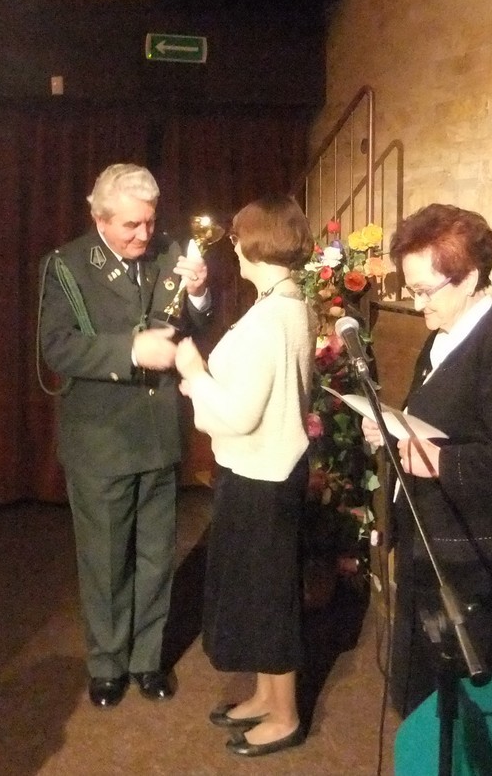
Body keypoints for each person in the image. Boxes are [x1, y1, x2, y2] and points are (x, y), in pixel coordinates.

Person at [360, 203, 492, 718]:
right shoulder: (443, 336)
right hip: (437, 543)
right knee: (421, 697)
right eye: (410, 290)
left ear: (470, 277)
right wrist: (391, 430)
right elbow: (438, 420)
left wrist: (442, 463)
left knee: (465, 708)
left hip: (482, 561)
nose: (417, 304)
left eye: (425, 290)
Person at [36, 162, 212, 708]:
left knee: (157, 556)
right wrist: (130, 351)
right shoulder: (66, 265)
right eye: (131, 225)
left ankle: (147, 659)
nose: (144, 234)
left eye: (150, 222)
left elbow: (192, 323)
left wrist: (200, 294)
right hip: (102, 438)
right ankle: (108, 662)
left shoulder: (168, 252)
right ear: (99, 218)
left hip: (158, 432)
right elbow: (56, 347)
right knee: (106, 559)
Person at [173, 195, 316, 758]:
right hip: (264, 469)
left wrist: (194, 373)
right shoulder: (286, 304)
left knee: (268, 598)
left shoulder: (270, 320)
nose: (232, 246)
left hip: (262, 476)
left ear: (253, 244)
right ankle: (265, 696)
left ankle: (285, 716)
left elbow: (238, 415)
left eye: (237, 237)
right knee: (259, 594)